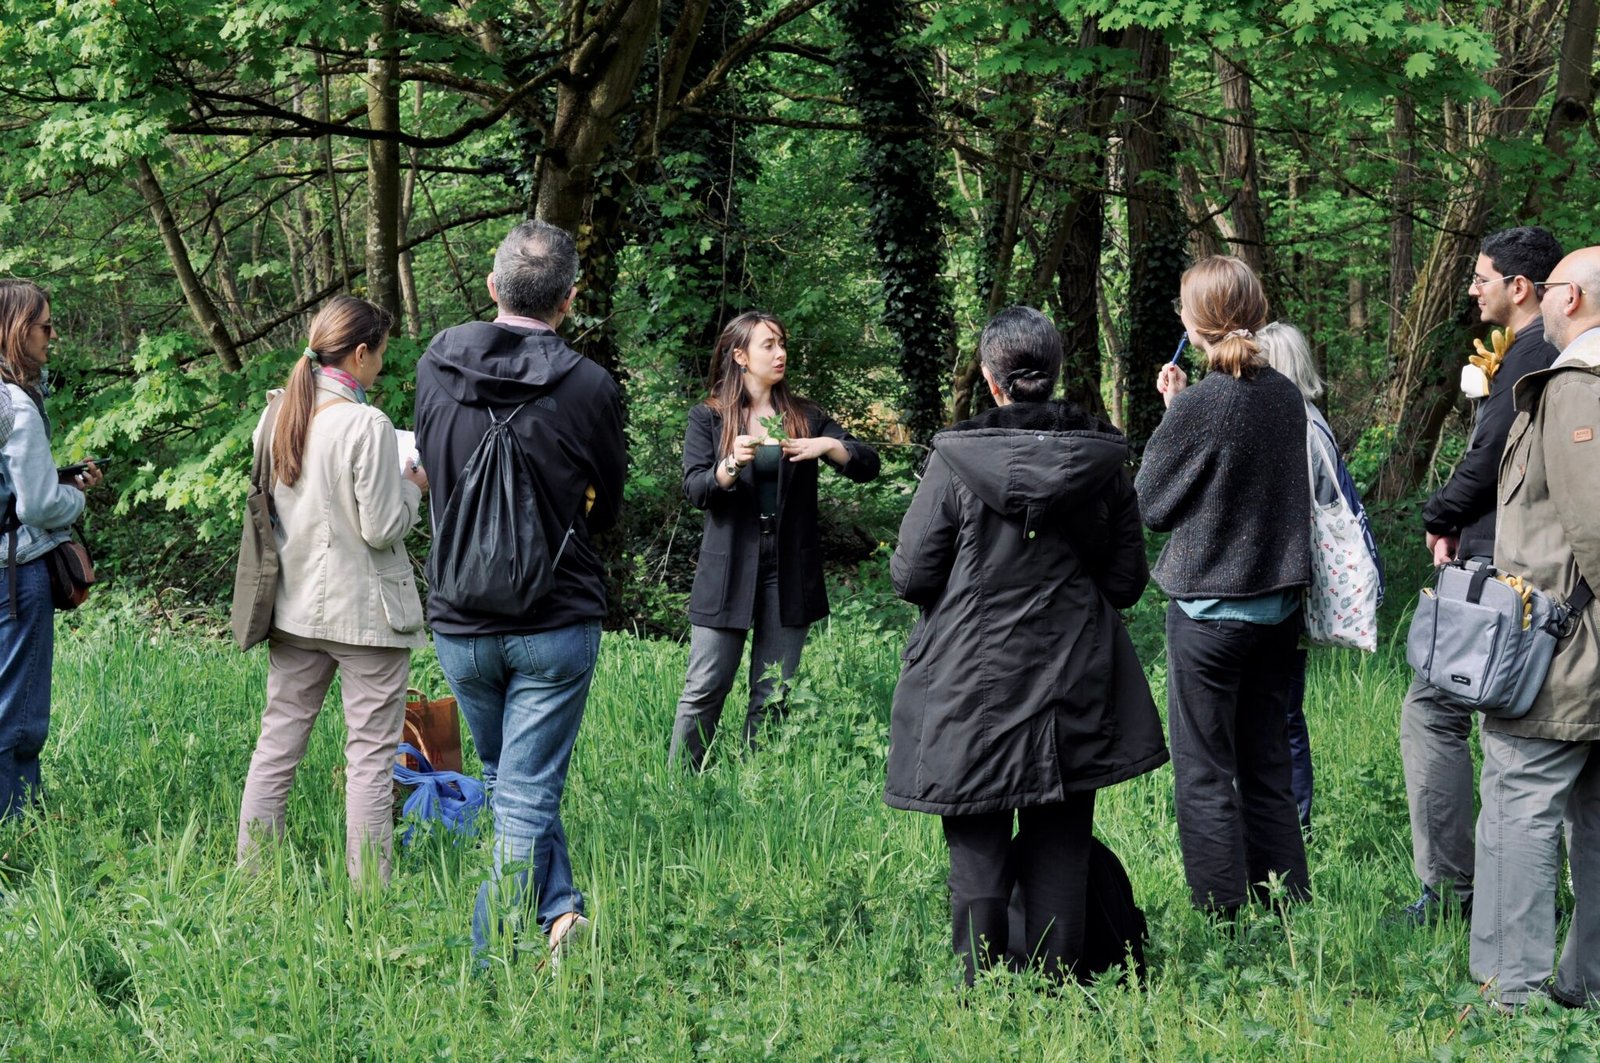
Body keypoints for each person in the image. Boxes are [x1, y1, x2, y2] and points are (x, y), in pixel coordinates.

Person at [884, 307, 1166, 983]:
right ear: (1054, 374)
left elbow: (911, 572)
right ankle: (1056, 990)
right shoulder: (1102, 460)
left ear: (991, 379)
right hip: (1074, 677)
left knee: (976, 844)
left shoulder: (953, 462)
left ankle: (980, 995)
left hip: (970, 687)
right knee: (1060, 843)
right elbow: (1127, 582)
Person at [415, 220, 626, 961]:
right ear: (569, 300)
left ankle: (562, 911)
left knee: (512, 777)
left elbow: (433, 468)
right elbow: (613, 494)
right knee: (528, 790)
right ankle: (488, 957)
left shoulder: (436, 364)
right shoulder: (592, 385)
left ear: (492, 287)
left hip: (461, 620)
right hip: (555, 616)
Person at [1135, 256, 1311, 916]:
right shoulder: (1285, 394)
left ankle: (1223, 923)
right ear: (1258, 310)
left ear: (1192, 323)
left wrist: (1172, 414)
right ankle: (1288, 910)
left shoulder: (1204, 403)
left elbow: (1152, 504)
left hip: (1209, 616)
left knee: (1206, 773)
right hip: (1279, 611)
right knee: (1267, 765)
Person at [1400, 226, 1563, 924]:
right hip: (1531, 565)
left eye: (1482, 277)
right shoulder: (1551, 351)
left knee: (1434, 709)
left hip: (1499, 567)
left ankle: (1452, 891)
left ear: (1519, 288)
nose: (1472, 288)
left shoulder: (1531, 355)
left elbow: (1488, 456)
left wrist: (1439, 513)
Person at [235, 295, 428, 884]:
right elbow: (381, 527)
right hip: (367, 614)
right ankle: (370, 891)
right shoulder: (366, 424)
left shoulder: (276, 415)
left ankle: (253, 874)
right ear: (361, 352)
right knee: (370, 757)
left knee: (277, 744)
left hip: (291, 609)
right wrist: (413, 486)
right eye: (381, 356)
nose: (383, 368)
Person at [1470, 245, 1600, 1008]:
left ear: (1573, 300)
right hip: (1572, 648)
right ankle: (1584, 984)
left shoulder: (1579, 390)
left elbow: (1593, 526)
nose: (1541, 300)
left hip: (1561, 655)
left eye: (1550, 289)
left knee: (1519, 806)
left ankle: (1508, 994)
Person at [669, 311, 879, 770]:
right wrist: (729, 465)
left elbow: (868, 464)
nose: (780, 352)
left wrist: (829, 447)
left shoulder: (804, 416)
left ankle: (755, 784)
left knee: (774, 691)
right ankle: (678, 787)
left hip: (788, 567)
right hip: (728, 568)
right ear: (741, 356)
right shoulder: (709, 417)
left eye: (782, 343)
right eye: (768, 345)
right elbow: (695, 489)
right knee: (706, 685)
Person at [0, 281, 103, 820]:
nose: (52, 336)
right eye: (44, 326)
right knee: (17, 711)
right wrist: (75, 498)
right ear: (16, 329)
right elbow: (38, 506)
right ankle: (15, 825)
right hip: (15, 577)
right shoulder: (14, 399)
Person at [1257, 321, 1339, 833]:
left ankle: (1295, 826)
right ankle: (1290, 825)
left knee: (1282, 715)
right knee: (1283, 712)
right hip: (1292, 583)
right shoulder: (1310, 421)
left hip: (1287, 585)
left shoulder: (1297, 427)